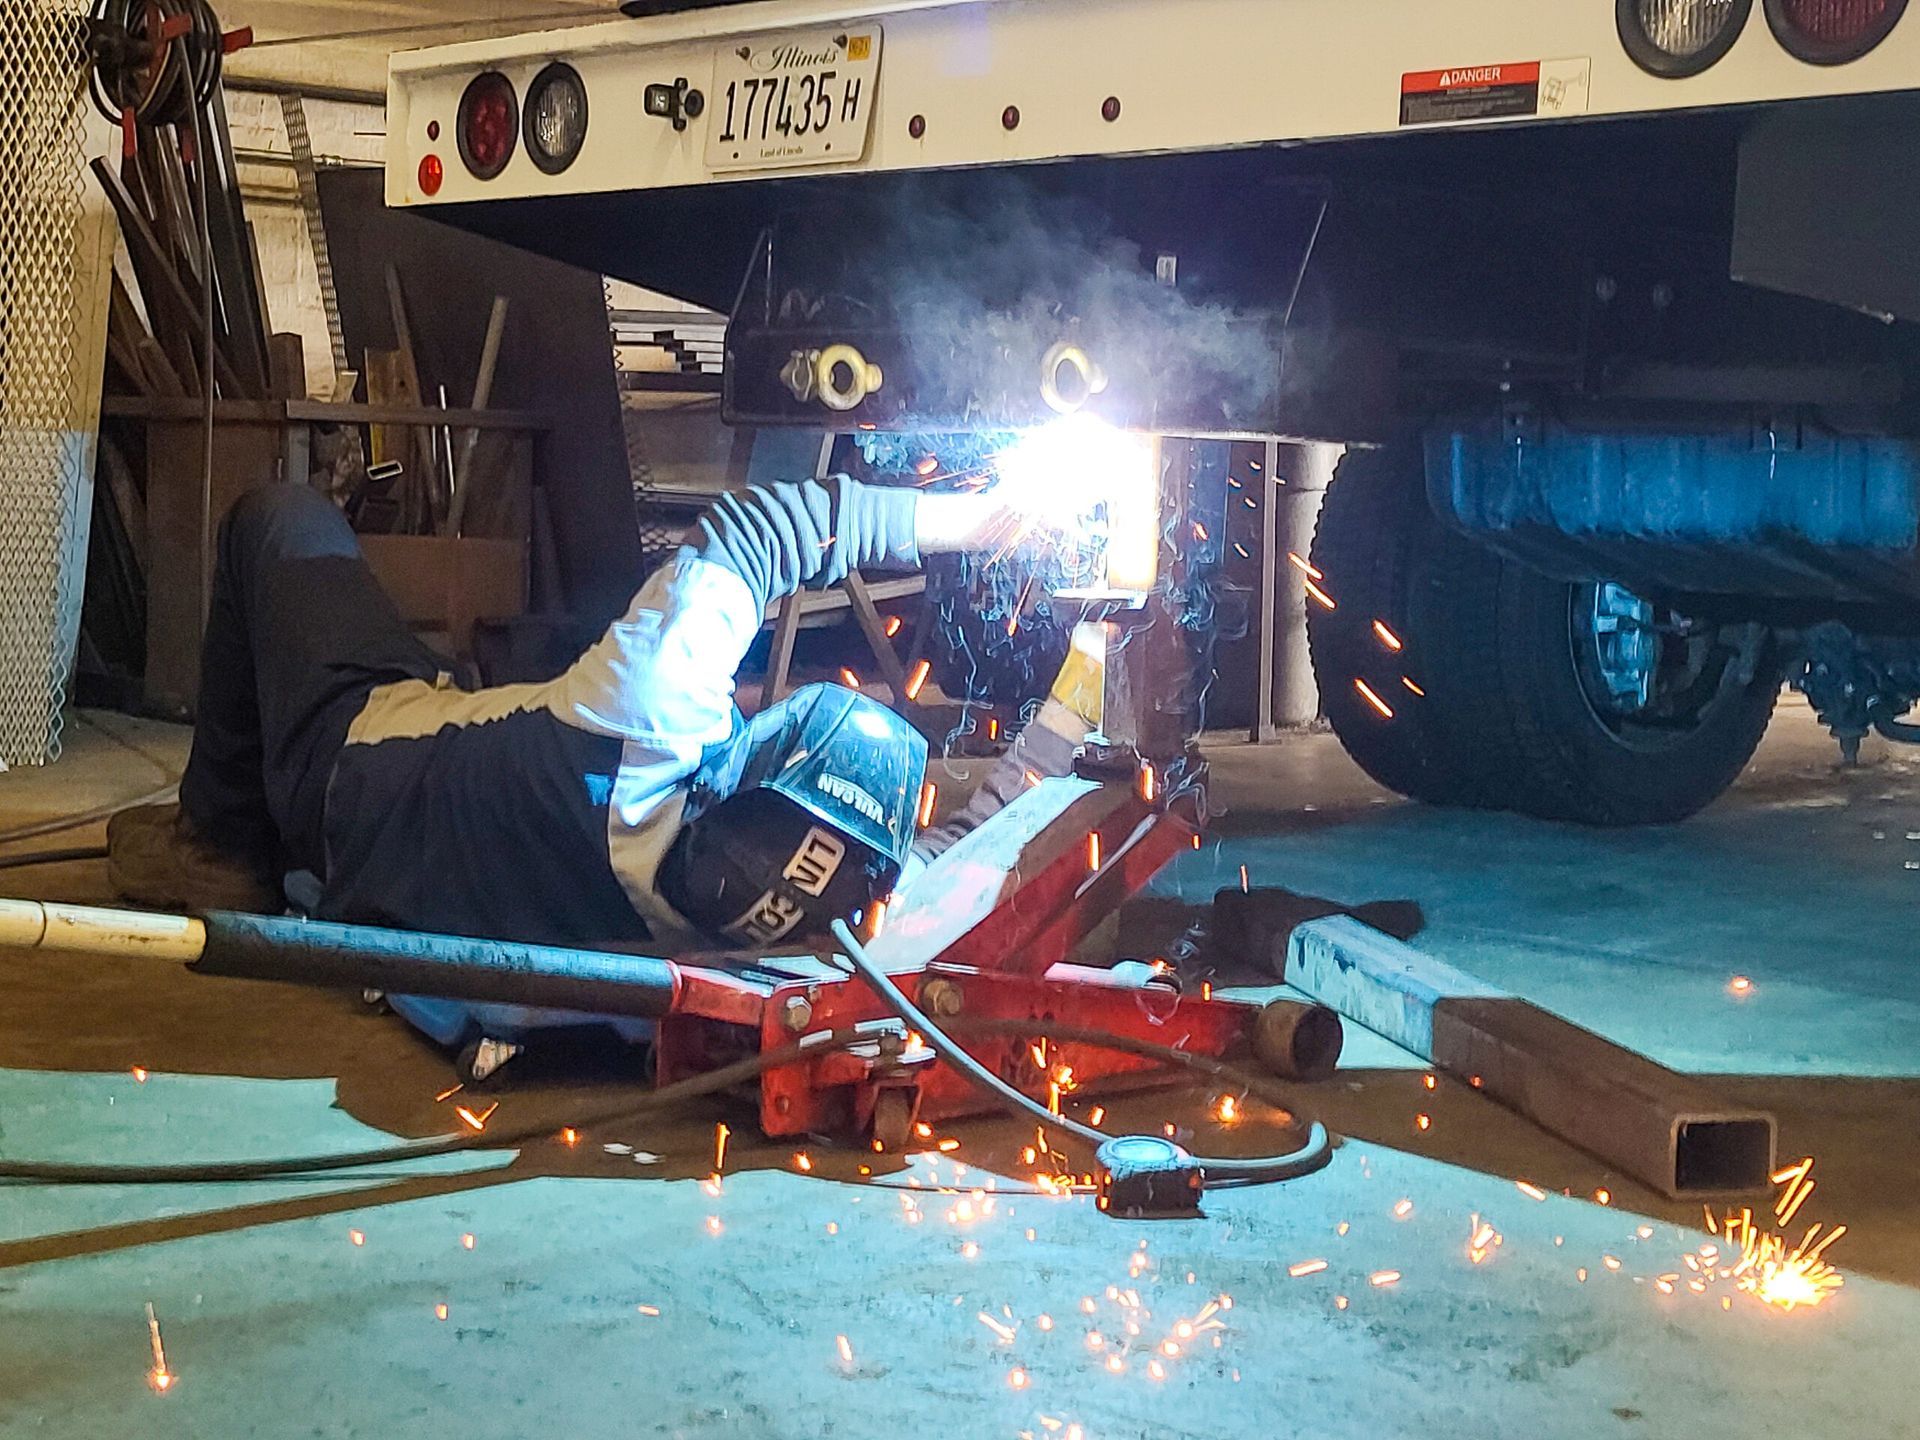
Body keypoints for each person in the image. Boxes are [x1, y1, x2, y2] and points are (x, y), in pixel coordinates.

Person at [108, 474, 1049, 953]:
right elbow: (930, 863)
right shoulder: (787, 919)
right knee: (465, 687)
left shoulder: (652, 720)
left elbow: (766, 528)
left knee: (281, 518)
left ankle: (222, 839)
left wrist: (971, 521)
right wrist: (1062, 729)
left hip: (348, 759)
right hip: (421, 828)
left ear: (759, 761)